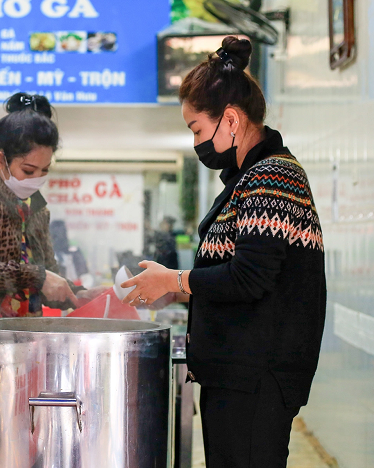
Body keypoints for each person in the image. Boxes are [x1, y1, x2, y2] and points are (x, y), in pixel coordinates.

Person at [121, 37, 326, 468]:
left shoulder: (273, 177)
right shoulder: (247, 179)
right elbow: (237, 274)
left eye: (197, 128)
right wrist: (177, 291)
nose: (196, 142)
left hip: (256, 378)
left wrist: (176, 280)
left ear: (230, 119)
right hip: (237, 374)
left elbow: (250, 277)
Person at [0, 92, 97, 348]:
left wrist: (76, 294)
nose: (37, 179)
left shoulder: (37, 208)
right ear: (1, 161)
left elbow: (47, 274)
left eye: (44, 171)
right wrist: (38, 277)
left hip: (25, 342)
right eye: (28, 170)